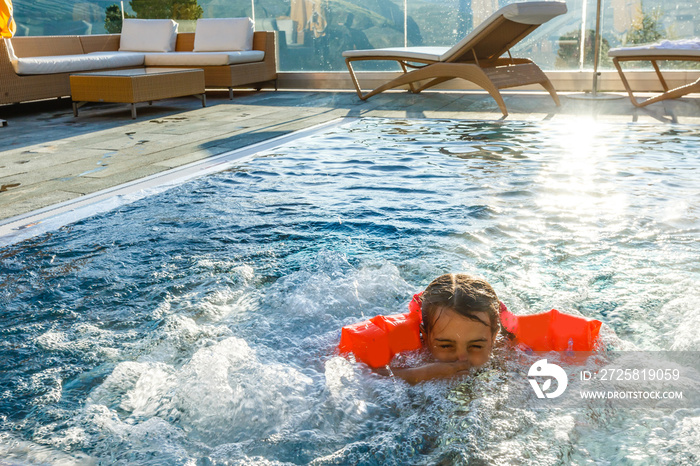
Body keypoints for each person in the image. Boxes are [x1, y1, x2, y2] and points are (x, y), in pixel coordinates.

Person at [378, 273, 502, 385]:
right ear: (425, 337)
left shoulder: (507, 357)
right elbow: (364, 374)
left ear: (493, 338)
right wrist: (419, 374)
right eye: (446, 346)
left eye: (476, 346)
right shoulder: (409, 357)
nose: (462, 358)